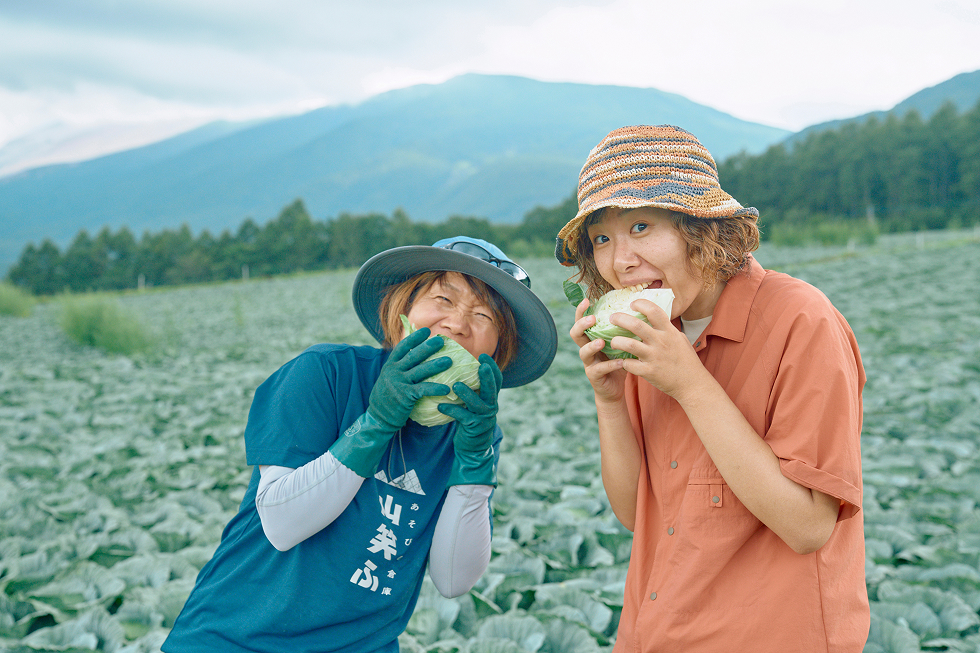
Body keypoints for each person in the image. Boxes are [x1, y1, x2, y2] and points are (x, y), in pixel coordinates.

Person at [556, 125, 869, 652]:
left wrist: (689, 383)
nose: (620, 260)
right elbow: (637, 514)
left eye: (640, 226)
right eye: (601, 239)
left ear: (702, 229)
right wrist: (609, 402)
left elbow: (808, 526)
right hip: (650, 634)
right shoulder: (652, 333)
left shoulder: (801, 320)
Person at [163, 236, 557, 653]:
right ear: (403, 308)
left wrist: (476, 463)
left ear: (498, 349)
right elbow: (281, 525)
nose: (458, 324)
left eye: (483, 315)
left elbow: (454, 580)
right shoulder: (326, 375)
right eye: (443, 299)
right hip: (235, 639)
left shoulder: (474, 431)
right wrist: (378, 421)